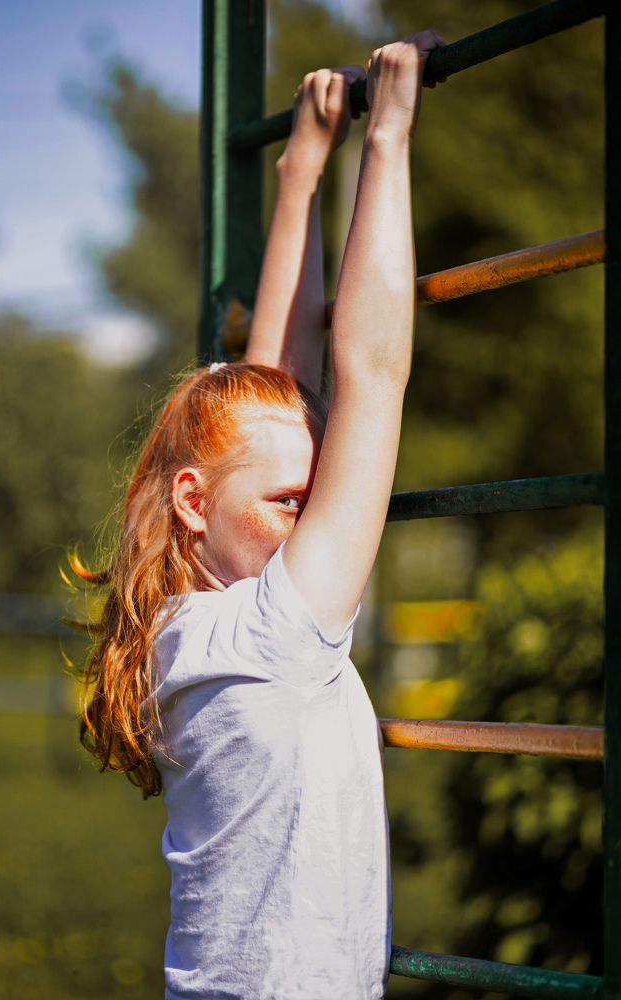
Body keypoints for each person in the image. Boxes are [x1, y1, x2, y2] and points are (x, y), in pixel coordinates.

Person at [74, 28, 444, 1000]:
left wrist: (302, 176)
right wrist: (390, 138)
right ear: (196, 503)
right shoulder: (274, 630)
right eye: (293, 502)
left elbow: (278, 393)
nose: (317, 519)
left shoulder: (182, 631)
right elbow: (370, 372)